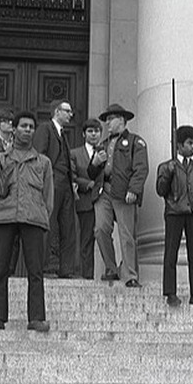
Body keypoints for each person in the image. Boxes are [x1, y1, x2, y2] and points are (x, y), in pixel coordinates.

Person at [0, 111, 53, 332]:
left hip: (33, 218)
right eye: (23, 126)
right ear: (14, 129)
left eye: (31, 127)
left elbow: (48, 197)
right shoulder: (0, 158)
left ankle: (37, 318)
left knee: (35, 271)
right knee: (0, 268)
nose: (27, 130)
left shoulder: (44, 162)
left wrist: (42, 216)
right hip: (4, 216)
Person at [88, 103, 149, 287]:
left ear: (121, 120)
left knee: (126, 233)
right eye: (106, 119)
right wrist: (95, 163)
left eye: (110, 119)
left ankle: (130, 274)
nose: (107, 123)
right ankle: (111, 268)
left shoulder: (135, 142)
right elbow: (91, 173)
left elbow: (141, 169)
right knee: (100, 229)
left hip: (123, 192)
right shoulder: (103, 144)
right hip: (103, 191)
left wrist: (134, 190)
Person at [156, 125, 193, 307]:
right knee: (171, 253)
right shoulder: (166, 166)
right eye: (189, 143)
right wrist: (169, 173)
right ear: (179, 145)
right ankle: (170, 292)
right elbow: (161, 190)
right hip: (174, 213)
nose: (192, 147)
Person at [33, 99, 77, 278]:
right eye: (67, 111)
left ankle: (66, 269)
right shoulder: (45, 128)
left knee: (68, 227)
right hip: (52, 181)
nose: (70, 114)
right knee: (48, 224)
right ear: (57, 112)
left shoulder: (63, 134)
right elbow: (39, 155)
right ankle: (41, 267)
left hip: (66, 184)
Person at [70, 118, 104, 279]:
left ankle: (111, 271)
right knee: (86, 241)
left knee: (105, 237)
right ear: (84, 134)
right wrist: (88, 184)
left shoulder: (107, 152)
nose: (93, 134)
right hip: (86, 202)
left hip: (105, 201)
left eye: (97, 131)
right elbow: (72, 176)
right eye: (90, 131)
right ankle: (87, 276)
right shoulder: (75, 153)